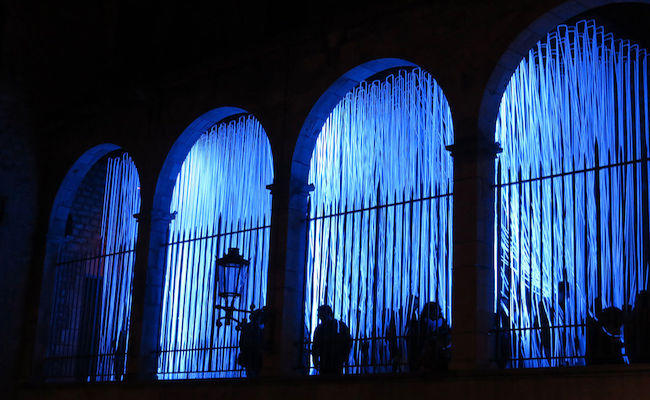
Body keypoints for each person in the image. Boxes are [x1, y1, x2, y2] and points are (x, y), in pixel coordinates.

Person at [406, 301, 451, 371]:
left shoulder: (444, 325)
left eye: (437, 311)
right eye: (433, 311)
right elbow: (415, 344)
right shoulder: (419, 326)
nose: (435, 314)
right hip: (423, 360)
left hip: (440, 359)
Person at [312, 305, 351, 375]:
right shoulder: (340, 325)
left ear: (328, 313)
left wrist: (315, 359)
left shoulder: (339, 326)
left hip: (333, 360)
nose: (318, 316)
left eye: (320, 313)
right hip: (329, 360)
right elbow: (315, 346)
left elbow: (315, 346)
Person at [238, 308, 265, 377]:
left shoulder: (247, 327)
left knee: (250, 371)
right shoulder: (262, 328)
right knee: (255, 371)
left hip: (249, 352)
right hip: (254, 352)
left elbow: (241, 341)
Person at [624, 290, 650, 363]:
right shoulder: (635, 315)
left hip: (636, 349)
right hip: (638, 349)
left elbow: (629, 332)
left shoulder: (634, 315)